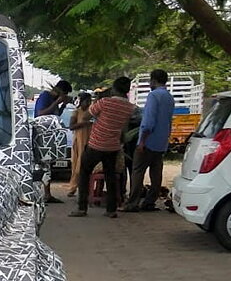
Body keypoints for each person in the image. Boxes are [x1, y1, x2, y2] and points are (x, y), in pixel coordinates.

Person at [70, 76, 137, 218]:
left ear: (114, 88)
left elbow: (86, 117)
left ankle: (82, 208)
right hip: (113, 147)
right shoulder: (130, 107)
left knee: (84, 172)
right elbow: (124, 129)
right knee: (110, 176)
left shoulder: (104, 102)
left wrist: (99, 118)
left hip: (95, 144)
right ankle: (111, 210)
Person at [122, 69, 175, 211]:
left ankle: (132, 203)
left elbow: (148, 121)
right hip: (161, 141)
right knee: (156, 173)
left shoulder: (153, 96)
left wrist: (142, 141)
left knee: (138, 171)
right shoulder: (169, 97)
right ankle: (150, 202)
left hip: (149, 140)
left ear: (153, 80)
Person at [35, 80, 73, 203]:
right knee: (42, 165)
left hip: (51, 135)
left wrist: (63, 105)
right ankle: (43, 193)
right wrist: (57, 101)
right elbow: (41, 113)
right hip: (42, 134)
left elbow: (56, 115)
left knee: (48, 165)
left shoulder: (54, 100)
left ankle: (48, 193)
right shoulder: (45, 96)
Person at [66, 92, 93, 197]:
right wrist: (85, 123)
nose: (89, 103)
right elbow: (71, 126)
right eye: (87, 101)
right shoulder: (76, 112)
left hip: (90, 141)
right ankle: (72, 187)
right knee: (77, 167)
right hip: (79, 141)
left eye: (90, 101)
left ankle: (86, 189)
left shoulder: (91, 112)